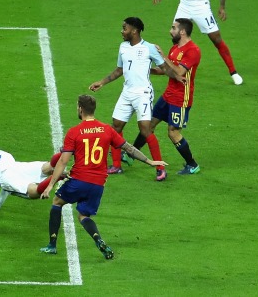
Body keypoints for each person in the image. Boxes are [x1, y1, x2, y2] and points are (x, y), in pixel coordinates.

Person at [40, 95, 168, 259]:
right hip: (98, 184)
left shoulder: (74, 132)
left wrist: (50, 185)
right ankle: (98, 240)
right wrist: (149, 161)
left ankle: (52, 245)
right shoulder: (107, 129)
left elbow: (63, 161)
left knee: (57, 202)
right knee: (83, 216)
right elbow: (128, 148)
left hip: (79, 179)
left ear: (80, 108)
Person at [89, 17, 183, 181]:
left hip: (143, 93)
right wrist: (102, 82)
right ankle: (116, 165)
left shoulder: (149, 48)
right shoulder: (123, 47)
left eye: (124, 28)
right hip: (127, 92)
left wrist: (177, 76)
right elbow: (120, 70)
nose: (122, 31)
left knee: (145, 129)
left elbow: (164, 68)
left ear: (134, 30)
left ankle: (160, 168)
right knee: (116, 126)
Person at [146, 18, 202, 175]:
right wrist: (147, 69)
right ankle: (130, 155)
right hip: (168, 95)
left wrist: (163, 56)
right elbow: (167, 70)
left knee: (173, 132)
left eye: (173, 28)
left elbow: (179, 71)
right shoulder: (174, 48)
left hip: (181, 98)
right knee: (148, 125)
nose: (170, 31)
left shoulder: (193, 50)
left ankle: (192, 165)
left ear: (182, 31)